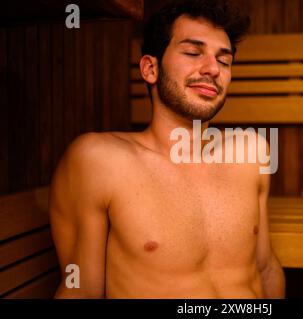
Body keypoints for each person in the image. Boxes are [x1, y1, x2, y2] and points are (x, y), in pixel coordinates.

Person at [50, 0, 285, 299]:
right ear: (150, 68)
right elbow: (82, 291)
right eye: (192, 52)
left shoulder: (251, 152)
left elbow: (266, 268)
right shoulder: (99, 160)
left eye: (224, 61)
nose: (213, 69)